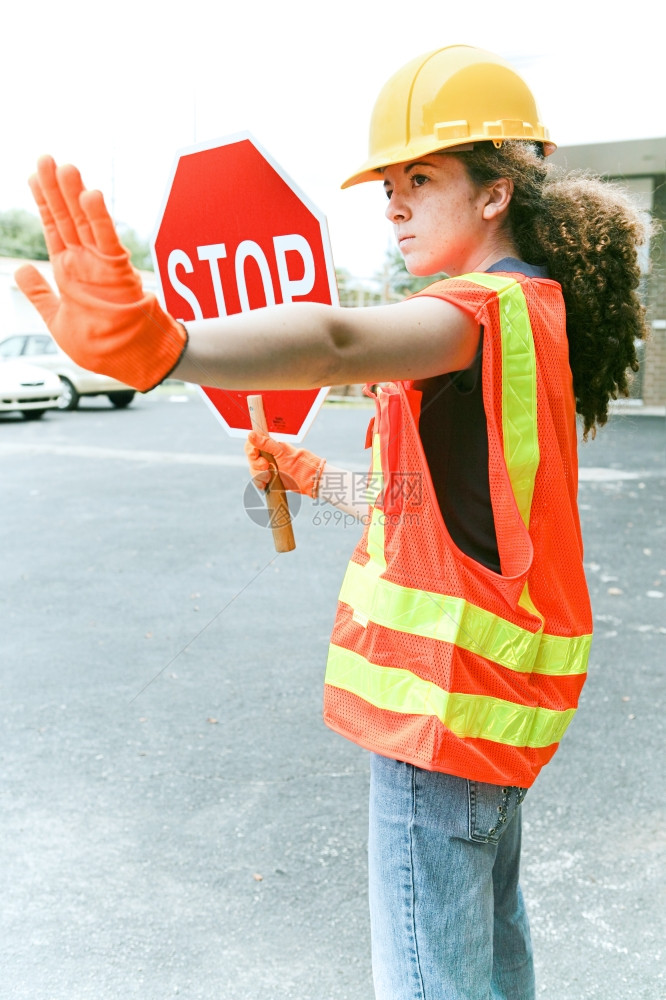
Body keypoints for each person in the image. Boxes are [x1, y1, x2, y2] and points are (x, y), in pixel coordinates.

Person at [16, 44, 649, 1000]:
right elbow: (433, 512)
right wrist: (313, 474)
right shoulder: (534, 318)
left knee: (433, 983)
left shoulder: (472, 311)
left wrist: (170, 347)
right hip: (492, 726)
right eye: (387, 184)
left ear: (496, 192)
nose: (393, 203)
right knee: (496, 961)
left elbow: (337, 337)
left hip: (436, 726)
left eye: (422, 178)